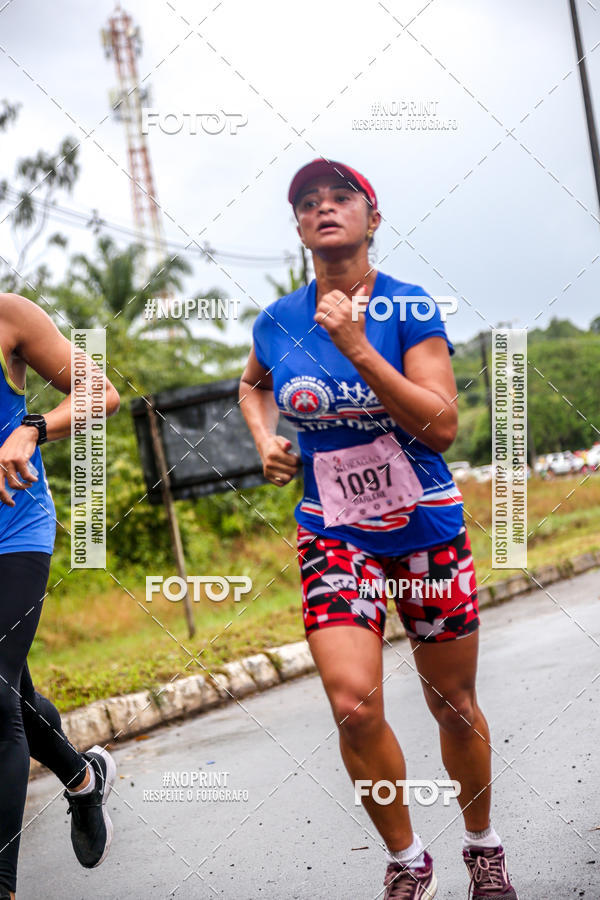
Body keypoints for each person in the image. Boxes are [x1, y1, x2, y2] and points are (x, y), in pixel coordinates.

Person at [239, 160, 519, 899]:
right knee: (351, 702)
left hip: (425, 525)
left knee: (452, 704)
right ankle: (406, 858)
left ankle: (482, 846)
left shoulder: (409, 308)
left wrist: (360, 345)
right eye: (307, 202)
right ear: (298, 226)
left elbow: (445, 425)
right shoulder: (277, 321)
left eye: (341, 198)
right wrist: (264, 438)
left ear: (373, 218)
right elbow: (251, 383)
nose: (323, 209)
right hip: (335, 532)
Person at [0, 292, 120, 899]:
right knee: (11, 691)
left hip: (13, 530)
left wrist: (33, 427)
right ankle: (81, 777)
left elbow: (103, 392)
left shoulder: (9, 315)